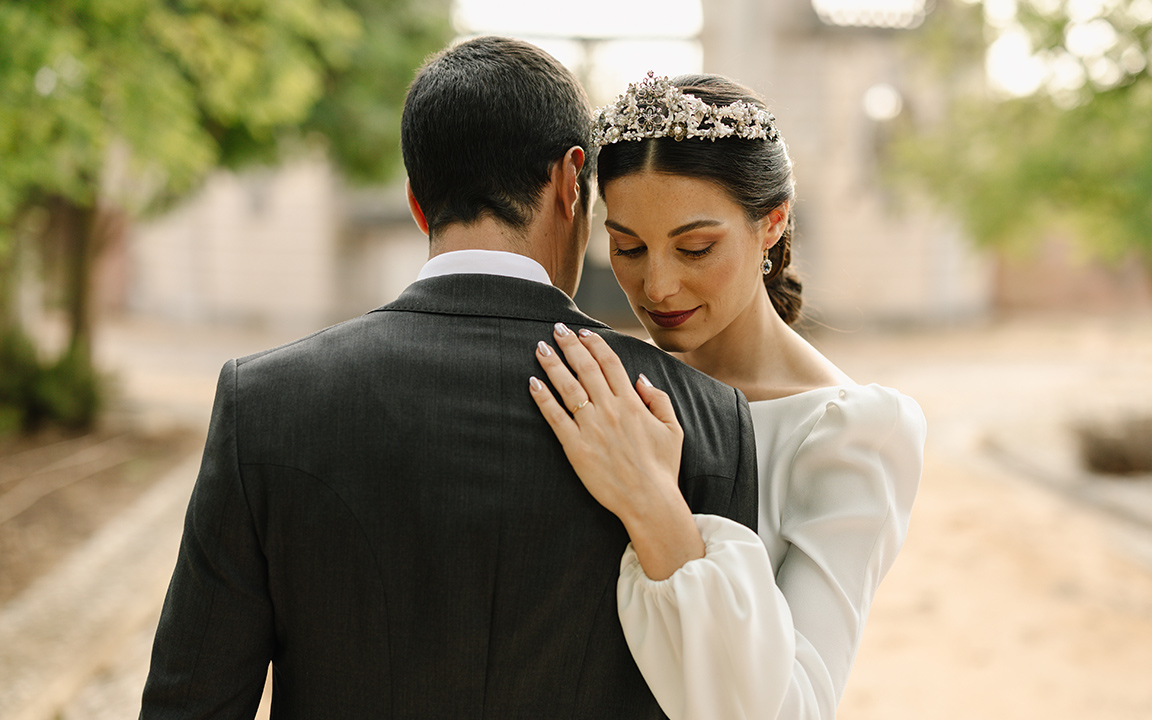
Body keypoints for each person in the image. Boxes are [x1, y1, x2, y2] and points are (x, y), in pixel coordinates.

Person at [140, 39, 758, 719]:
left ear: (416, 201)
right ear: (569, 181)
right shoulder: (701, 419)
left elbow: (188, 705)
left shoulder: (265, 402)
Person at [529, 72, 926, 719]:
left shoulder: (849, 434)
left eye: (695, 247)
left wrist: (654, 506)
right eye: (628, 247)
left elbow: (792, 709)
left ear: (771, 224)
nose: (657, 285)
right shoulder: (612, 394)